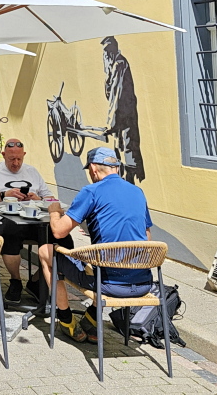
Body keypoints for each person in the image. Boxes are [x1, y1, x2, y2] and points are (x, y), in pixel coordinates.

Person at [39, 146, 154, 343]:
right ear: (116, 168)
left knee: (45, 251)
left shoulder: (91, 191)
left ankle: (66, 321)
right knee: (94, 263)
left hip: (110, 285)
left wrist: (54, 211)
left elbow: (58, 231)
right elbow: (147, 237)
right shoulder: (137, 192)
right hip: (143, 282)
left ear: (93, 168)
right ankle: (91, 318)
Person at [0, 139, 73, 303]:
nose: (16, 163)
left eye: (19, 159)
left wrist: (38, 198)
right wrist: (4, 195)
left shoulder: (32, 171)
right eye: (11, 159)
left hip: (34, 219)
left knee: (64, 241)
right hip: (6, 219)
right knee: (9, 234)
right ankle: (15, 280)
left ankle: (36, 281)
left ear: (24, 155)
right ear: (4, 155)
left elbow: (51, 198)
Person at [102, 36, 144, 184]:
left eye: (107, 51)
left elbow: (116, 94)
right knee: (119, 148)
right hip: (120, 115)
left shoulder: (119, 64)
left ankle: (129, 182)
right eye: (104, 52)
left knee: (127, 147)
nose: (105, 55)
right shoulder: (113, 65)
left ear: (113, 50)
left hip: (124, 114)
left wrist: (110, 123)